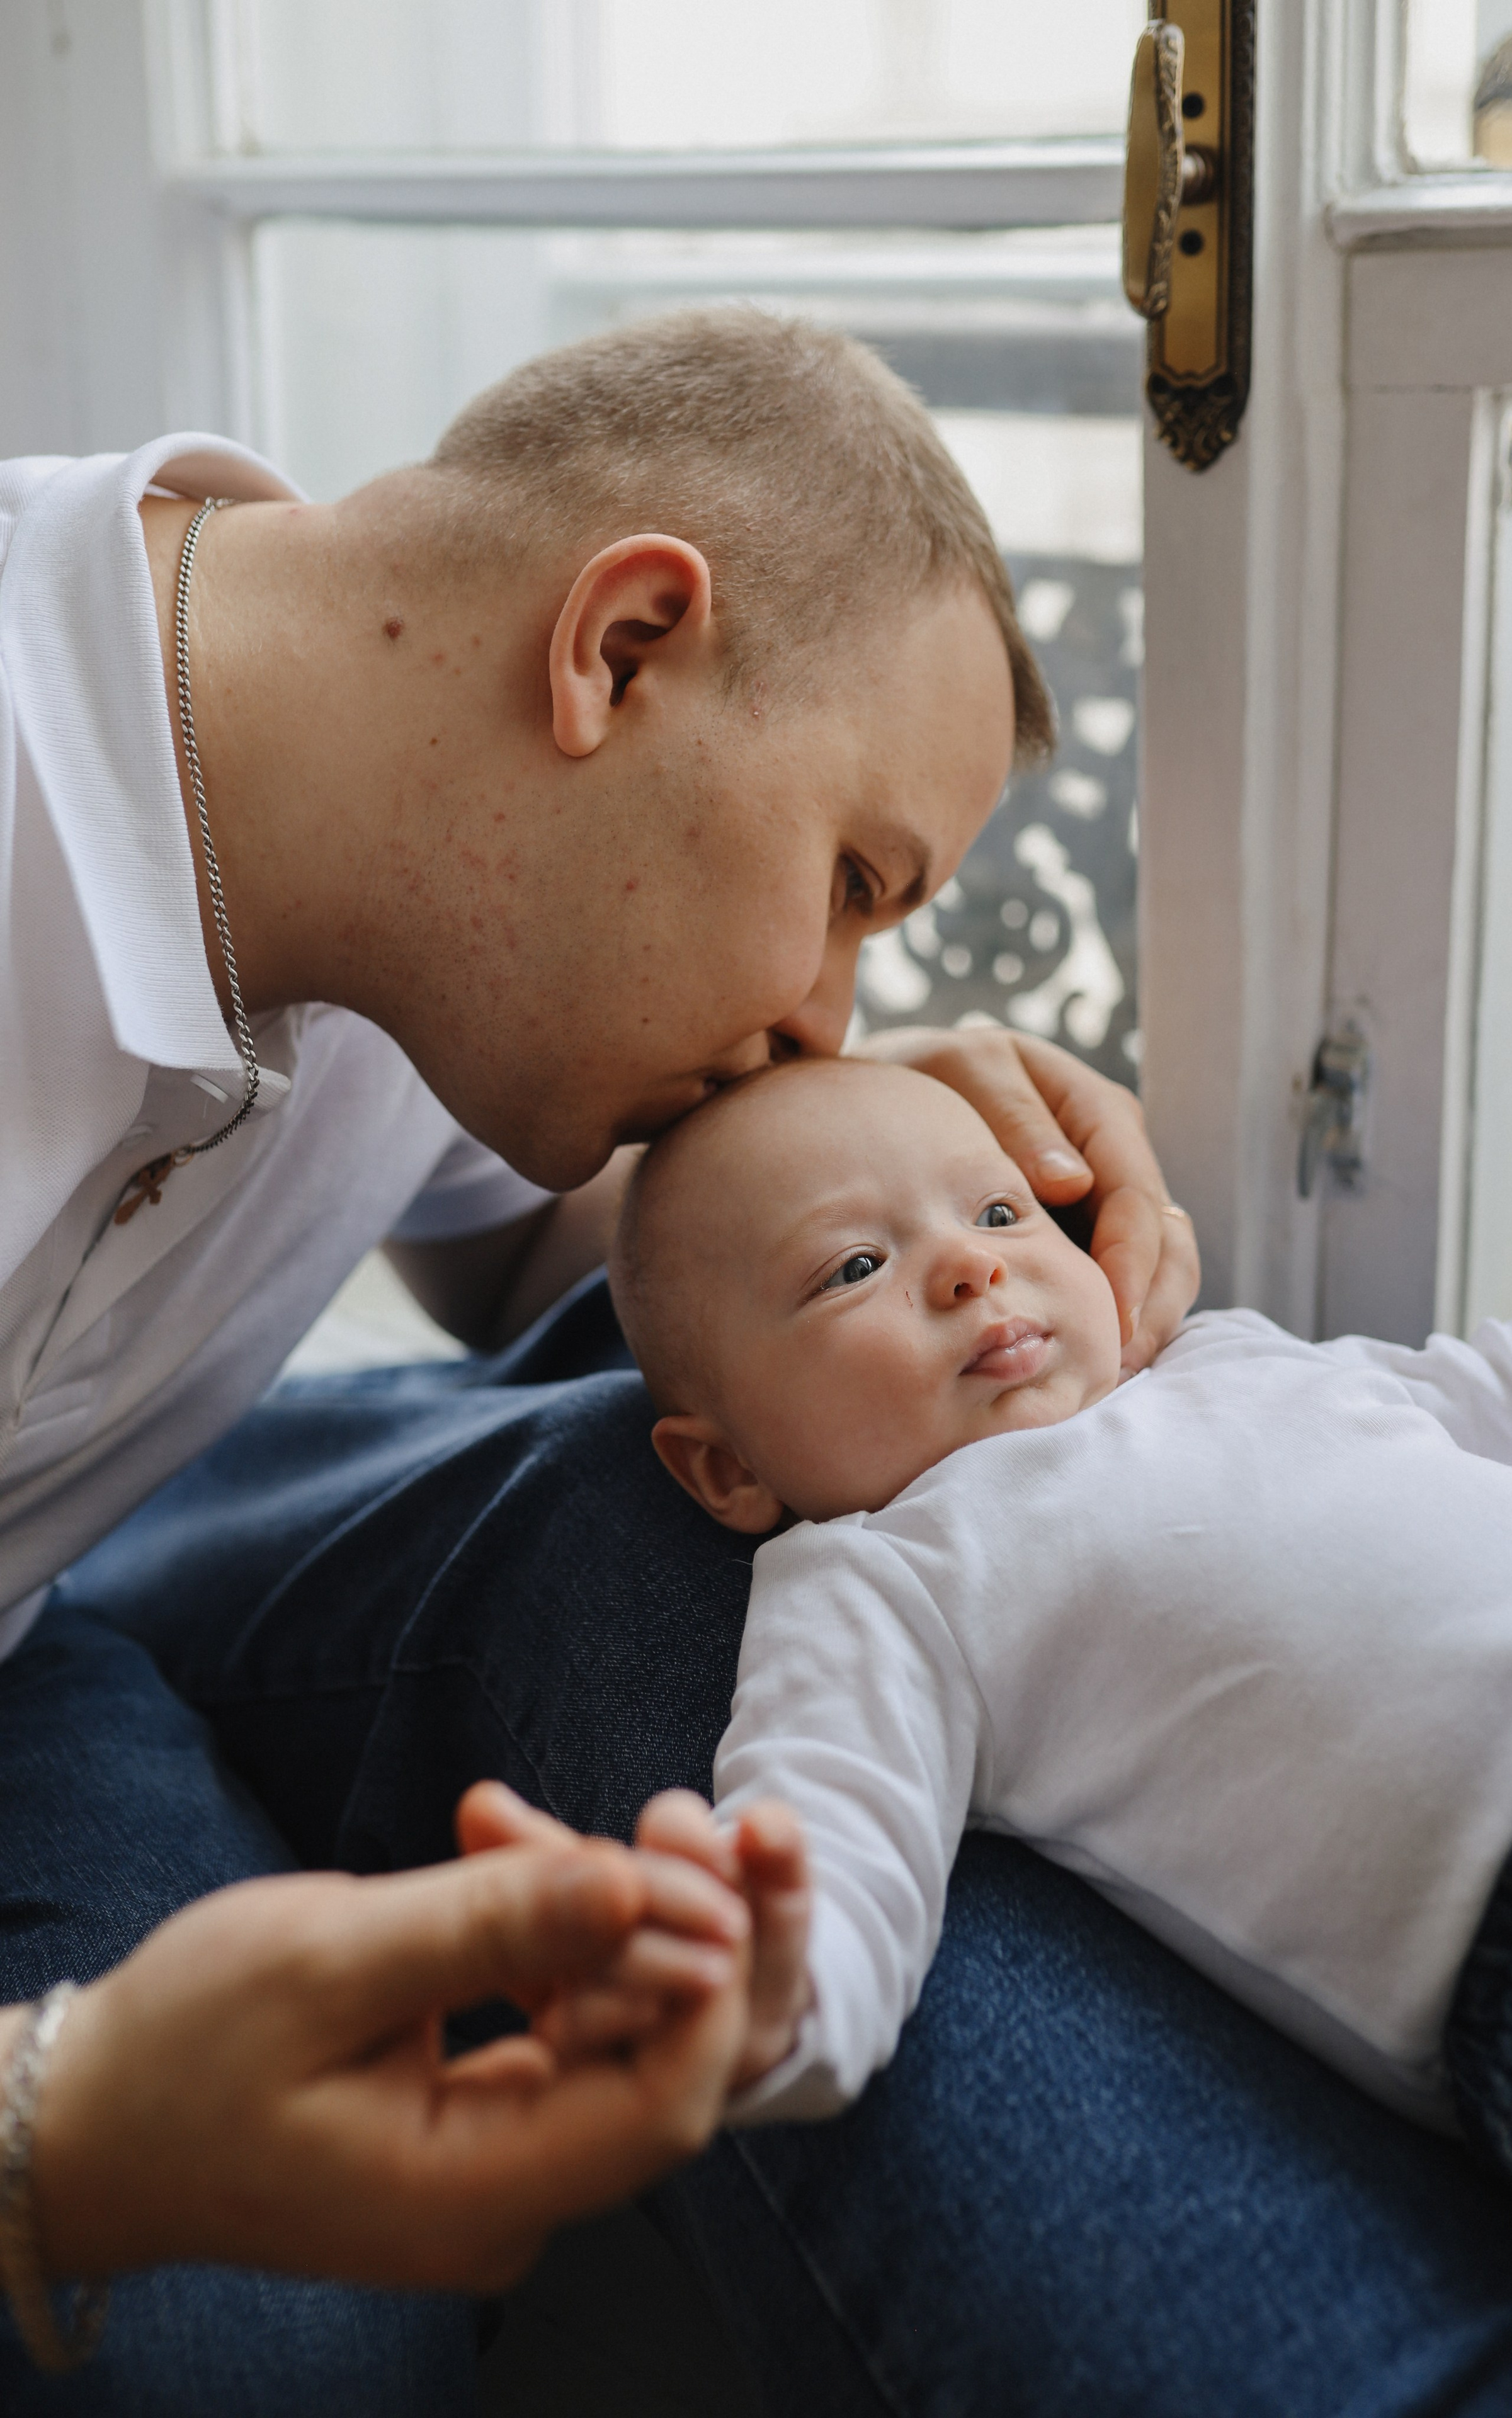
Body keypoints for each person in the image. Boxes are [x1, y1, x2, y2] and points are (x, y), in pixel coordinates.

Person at [0, 309, 1198, 2411]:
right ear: (621, 647)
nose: (836, 1007)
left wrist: (885, 1175)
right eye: (848, 887)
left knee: (290, 2344)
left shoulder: (411, 869)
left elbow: (568, 1253)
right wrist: (54, 2140)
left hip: (36, 1649)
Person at [603, 1052, 1512, 2252]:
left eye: (998, 1211)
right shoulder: (881, 1575)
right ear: (728, 1468)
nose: (975, 1265)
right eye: (855, 1268)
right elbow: (832, 1843)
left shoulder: (1217, 1355)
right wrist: (756, 1983)